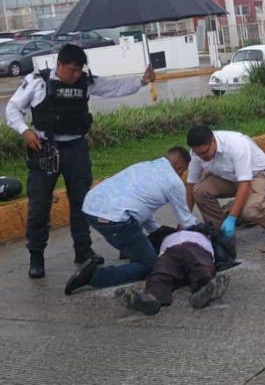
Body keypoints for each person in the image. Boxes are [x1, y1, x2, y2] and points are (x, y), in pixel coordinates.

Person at [5, 43, 155, 279]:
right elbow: (13, 109)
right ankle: (36, 258)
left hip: (75, 147)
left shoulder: (85, 81)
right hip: (44, 148)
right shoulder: (37, 81)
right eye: (72, 70)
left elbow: (112, 87)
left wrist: (142, 81)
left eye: (79, 70)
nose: (76, 75)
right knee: (39, 206)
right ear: (60, 65)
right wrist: (25, 131)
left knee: (82, 202)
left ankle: (83, 252)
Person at [64, 147, 198, 295]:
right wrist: (203, 235)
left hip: (90, 205)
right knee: (148, 264)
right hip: (113, 219)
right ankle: (93, 277)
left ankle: (129, 250)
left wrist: (156, 230)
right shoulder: (173, 182)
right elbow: (186, 221)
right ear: (180, 166)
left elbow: (142, 205)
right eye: (183, 171)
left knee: (138, 240)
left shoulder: (144, 166)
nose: (182, 174)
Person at [186, 125, 265, 239]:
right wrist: (185, 216)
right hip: (227, 177)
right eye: (198, 154)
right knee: (199, 191)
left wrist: (232, 218)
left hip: (256, 176)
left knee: (249, 210)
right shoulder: (196, 153)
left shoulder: (236, 144)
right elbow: (191, 184)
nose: (202, 157)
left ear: (213, 141)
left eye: (205, 152)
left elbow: (245, 183)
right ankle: (219, 232)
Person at [113, 224, 234, 315]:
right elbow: (139, 246)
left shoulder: (204, 233)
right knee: (161, 272)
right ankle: (150, 299)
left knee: (200, 267)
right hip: (169, 253)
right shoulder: (165, 235)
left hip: (196, 249)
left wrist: (210, 231)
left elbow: (228, 247)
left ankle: (203, 291)